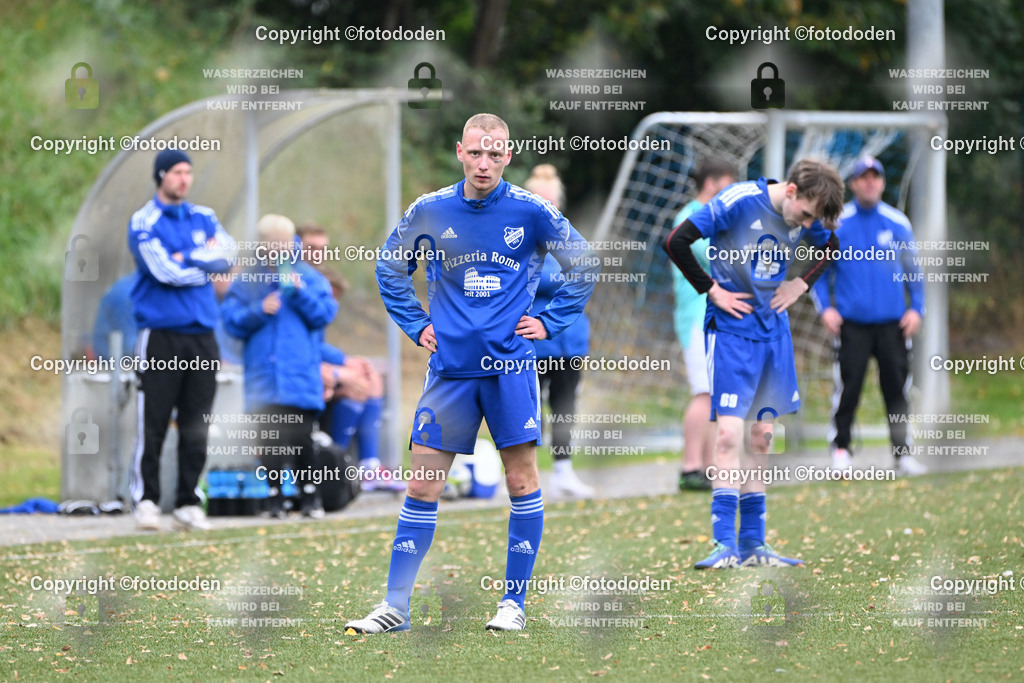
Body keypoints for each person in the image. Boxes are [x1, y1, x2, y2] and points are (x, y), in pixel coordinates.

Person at [345, 113, 598, 634]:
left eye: (495, 154)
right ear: (460, 152)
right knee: (422, 485)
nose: (484, 163)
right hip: (450, 372)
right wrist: (417, 324)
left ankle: (513, 604)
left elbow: (585, 265)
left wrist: (550, 322)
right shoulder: (430, 209)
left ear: (508, 156)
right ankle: (395, 606)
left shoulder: (532, 210)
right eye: (476, 153)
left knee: (521, 479)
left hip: (510, 369)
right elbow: (389, 266)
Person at [664, 158, 843, 569]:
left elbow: (832, 246)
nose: (807, 224)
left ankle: (753, 544)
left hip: (773, 336)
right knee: (729, 434)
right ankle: (724, 544)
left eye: (813, 220)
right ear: (792, 191)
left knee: (762, 437)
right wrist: (711, 290)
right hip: (731, 334)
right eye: (805, 215)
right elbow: (676, 241)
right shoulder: (737, 200)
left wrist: (800, 284)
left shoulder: (807, 215)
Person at [127, 149, 237, 531]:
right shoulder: (145, 220)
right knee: (153, 421)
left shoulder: (204, 216)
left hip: (202, 336)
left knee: (196, 423)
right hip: (161, 336)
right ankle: (146, 500)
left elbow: (227, 254)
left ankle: (188, 501)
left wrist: (186, 256)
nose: (184, 179)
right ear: (161, 176)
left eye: (188, 172)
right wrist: (204, 262)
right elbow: (164, 272)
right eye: (176, 172)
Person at [810, 156, 927, 476]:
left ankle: (903, 455)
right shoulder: (837, 224)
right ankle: (841, 451)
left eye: (875, 176)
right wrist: (826, 309)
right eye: (864, 177)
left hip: (892, 325)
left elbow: (914, 272)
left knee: (897, 391)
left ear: (882, 182)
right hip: (853, 326)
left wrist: (917, 309)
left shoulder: (897, 223)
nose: (870, 182)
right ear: (853, 184)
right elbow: (819, 273)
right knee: (847, 390)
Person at [221, 214, 339, 519]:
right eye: (272, 242)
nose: (279, 248)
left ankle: (309, 496)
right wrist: (258, 310)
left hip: (299, 374)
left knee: (302, 437)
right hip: (264, 375)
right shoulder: (248, 280)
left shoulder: (308, 277)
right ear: (261, 244)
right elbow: (231, 321)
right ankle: (274, 498)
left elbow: (324, 314)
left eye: (284, 242)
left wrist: (299, 293)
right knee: (270, 439)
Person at [523, 164, 594, 498]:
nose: (547, 207)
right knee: (528, 410)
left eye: (551, 201)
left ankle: (563, 472)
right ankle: (526, 474)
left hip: (571, 340)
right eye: (540, 201)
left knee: (565, 407)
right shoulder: (517, 239)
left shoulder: (569, 237)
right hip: (533, 342)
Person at [671, 159, 736, 491]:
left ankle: (709, 468)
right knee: (704, 393)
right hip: (697, 318)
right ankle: (690, 467)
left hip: (714, 318)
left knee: (715, 395)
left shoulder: (714, 217)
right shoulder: (690, 217)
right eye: (728, 183)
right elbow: (717, 257)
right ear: (712, 183)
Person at [92, 272, 139, 359]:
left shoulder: (132, 285)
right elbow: (130, 347)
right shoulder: (127, 293)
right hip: (112, 360)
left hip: (118, 356)